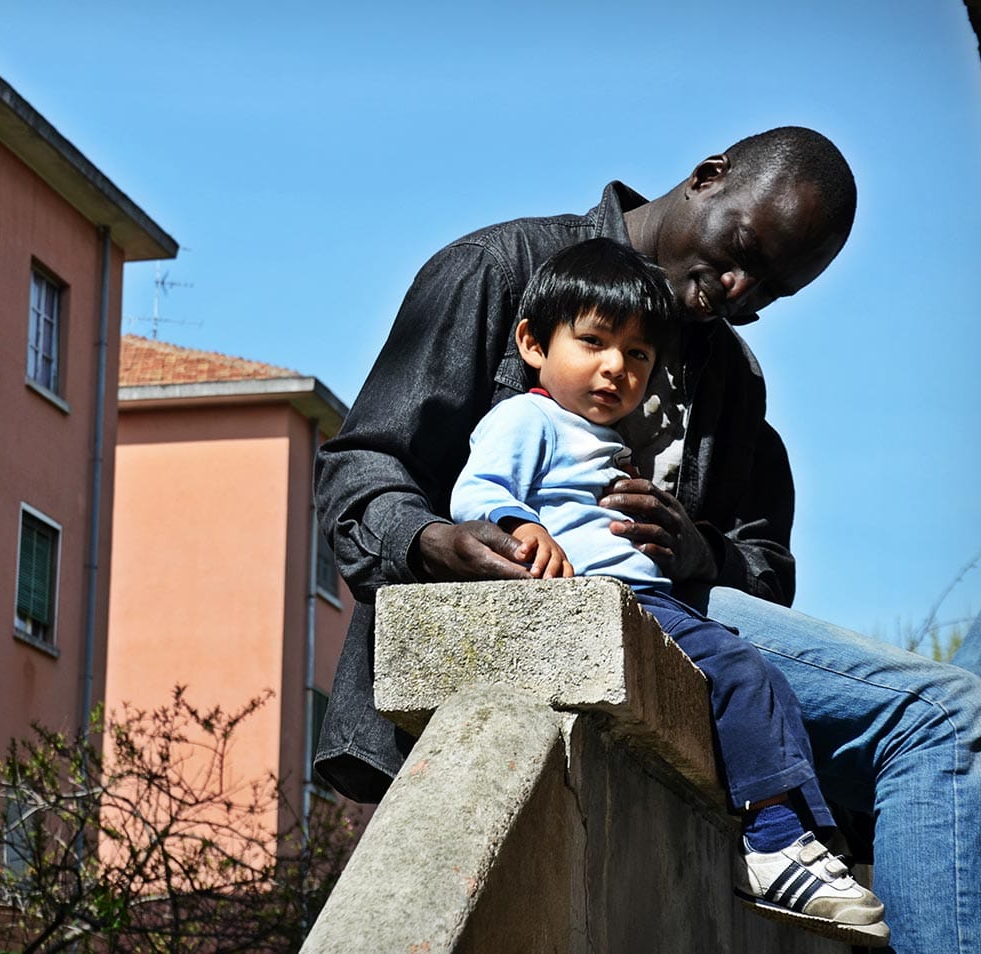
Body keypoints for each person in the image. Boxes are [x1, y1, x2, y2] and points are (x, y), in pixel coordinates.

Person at [314, 127, 981, 954]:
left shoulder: (731, 375)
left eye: (771, 290)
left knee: (937, 716)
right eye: (743, 252)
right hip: (513, 641)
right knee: (946, 715)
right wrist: (432, 542)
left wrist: (702, 552)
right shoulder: (503, 267)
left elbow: (765, 567)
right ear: (707, 177)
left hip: (685, 620)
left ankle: (796, 845)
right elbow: (362, 463)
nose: (740, 291)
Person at [449, 236, 887, 945]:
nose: (615, 368)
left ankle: (810, 841)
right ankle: (776, 843)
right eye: (592, 342)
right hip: (608, 598)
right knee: (743, 674)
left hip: (650, 600)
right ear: (532, 343)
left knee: (747, 679)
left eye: (638, 356)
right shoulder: (525, 418)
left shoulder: (602, 438)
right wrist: (522, 528)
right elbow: (478, 491)